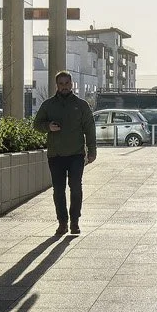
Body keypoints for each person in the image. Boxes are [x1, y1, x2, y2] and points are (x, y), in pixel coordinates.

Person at [32, 70, 96, 236]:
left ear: (71, 84)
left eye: (67, 83)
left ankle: (75, 222)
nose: (64, 86)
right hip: (56, 155)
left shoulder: (81, 105)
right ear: (57, 86)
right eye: (61, 84)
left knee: (76, 188)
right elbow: (36, 125)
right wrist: (48, 127)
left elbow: (90, 129)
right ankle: (62, 223)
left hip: (76, 154)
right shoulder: (48, 105)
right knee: (58, 191)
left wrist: (92, 151)